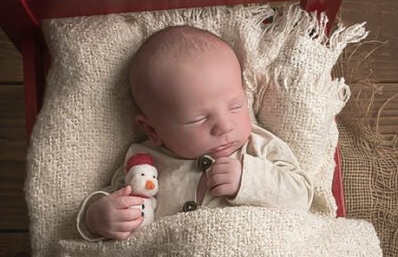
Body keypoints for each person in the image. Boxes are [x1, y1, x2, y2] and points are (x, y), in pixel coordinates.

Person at [77, 25, 313, 241]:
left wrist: (248, 179)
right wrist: (97, 218)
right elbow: (118, 197)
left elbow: (301, 195)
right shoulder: (144, 160)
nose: (224, 126)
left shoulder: (259, 146)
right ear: (152, 129)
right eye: (198, 119)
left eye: (236, 106)